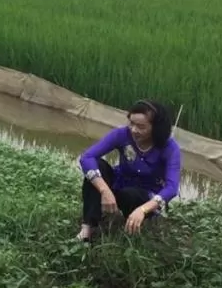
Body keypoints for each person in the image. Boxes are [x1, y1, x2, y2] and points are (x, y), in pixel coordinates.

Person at [76, 99, 182, 242]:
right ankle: (87, 228)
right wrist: (104, 190)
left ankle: (133, 223)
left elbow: (171, 188)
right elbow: (87, 157)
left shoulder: (170, 148)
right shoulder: (122, 134)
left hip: (146, 196)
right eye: (131, 123)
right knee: (97, 167)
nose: (134, 130)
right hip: (120, 183)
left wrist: (143, 210)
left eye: (141, 126)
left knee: (130, 195)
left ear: (156, 127)